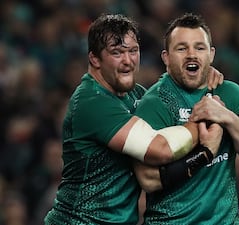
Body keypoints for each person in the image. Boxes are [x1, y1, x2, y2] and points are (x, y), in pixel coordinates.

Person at [44, 14, 224, 225]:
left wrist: (201, 74)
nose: (128, 61)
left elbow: (169, 98)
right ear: (94, 59)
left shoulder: (135, 94)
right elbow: (160, 149)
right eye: (117, 52)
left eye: (133, 51)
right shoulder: (92, 102)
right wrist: (207, 118)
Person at [133, 13, 239, 225]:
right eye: (182, 48)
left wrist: (226, 117)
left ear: (211, 54)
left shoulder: (229, 92)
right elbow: (148, 179)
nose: (192, 54)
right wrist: (204, 153)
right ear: (166, 58)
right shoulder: (154, 103)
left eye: (199, 48)